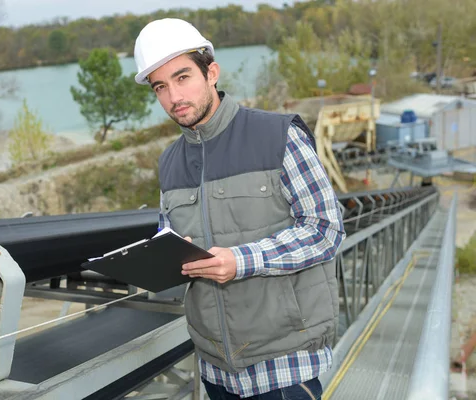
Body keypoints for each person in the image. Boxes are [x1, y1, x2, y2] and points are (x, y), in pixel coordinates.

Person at [134, 18, 346, 400]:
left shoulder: (279, 136)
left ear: (211, 72)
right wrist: (163, 257)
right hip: (215, 369)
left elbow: (325, 229)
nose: (173, 97)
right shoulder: (169, 163)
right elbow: (174, 241)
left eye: (182, 78)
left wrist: (242, 260)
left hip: (284, 365)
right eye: (160, 87)